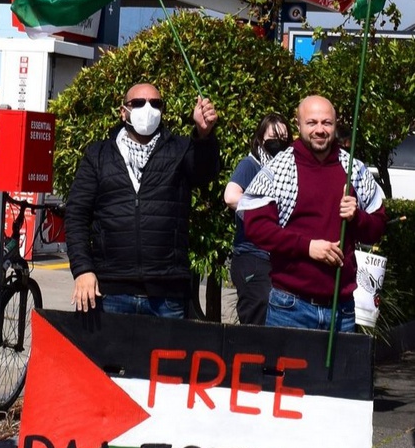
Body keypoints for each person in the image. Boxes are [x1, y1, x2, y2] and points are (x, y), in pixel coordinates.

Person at [65, 82, 220, 317]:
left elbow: (205, 172)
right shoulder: (98, 155)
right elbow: (76, 215)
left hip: (167, 294)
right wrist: (83, 270)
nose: (147, 108)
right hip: (111, 292)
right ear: (123, 111)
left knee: (168, 356)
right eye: (138, 103)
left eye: (155, 103)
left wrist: (204, 135)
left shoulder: (181, 149)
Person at [238, 95, 387, 332]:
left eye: (326, 123)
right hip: (289, 307)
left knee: (337, 372)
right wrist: (308, 247)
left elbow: (377, 227)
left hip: (342, 310)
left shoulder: (354, 170)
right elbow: (257, 227)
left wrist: (357, 217)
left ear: (335, 125)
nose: (320, 129)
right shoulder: (279, 169)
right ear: (298, 125)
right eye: (312, 123)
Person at [223, 113, 293, 325]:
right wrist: (265, 206)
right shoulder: (251, 165)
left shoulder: (288, 170)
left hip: (278, 257)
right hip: (252, 255)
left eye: (284, 137)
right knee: (257, 309)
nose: (278, 142)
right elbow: (231, 196)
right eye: (273, 137)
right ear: (260, 139)